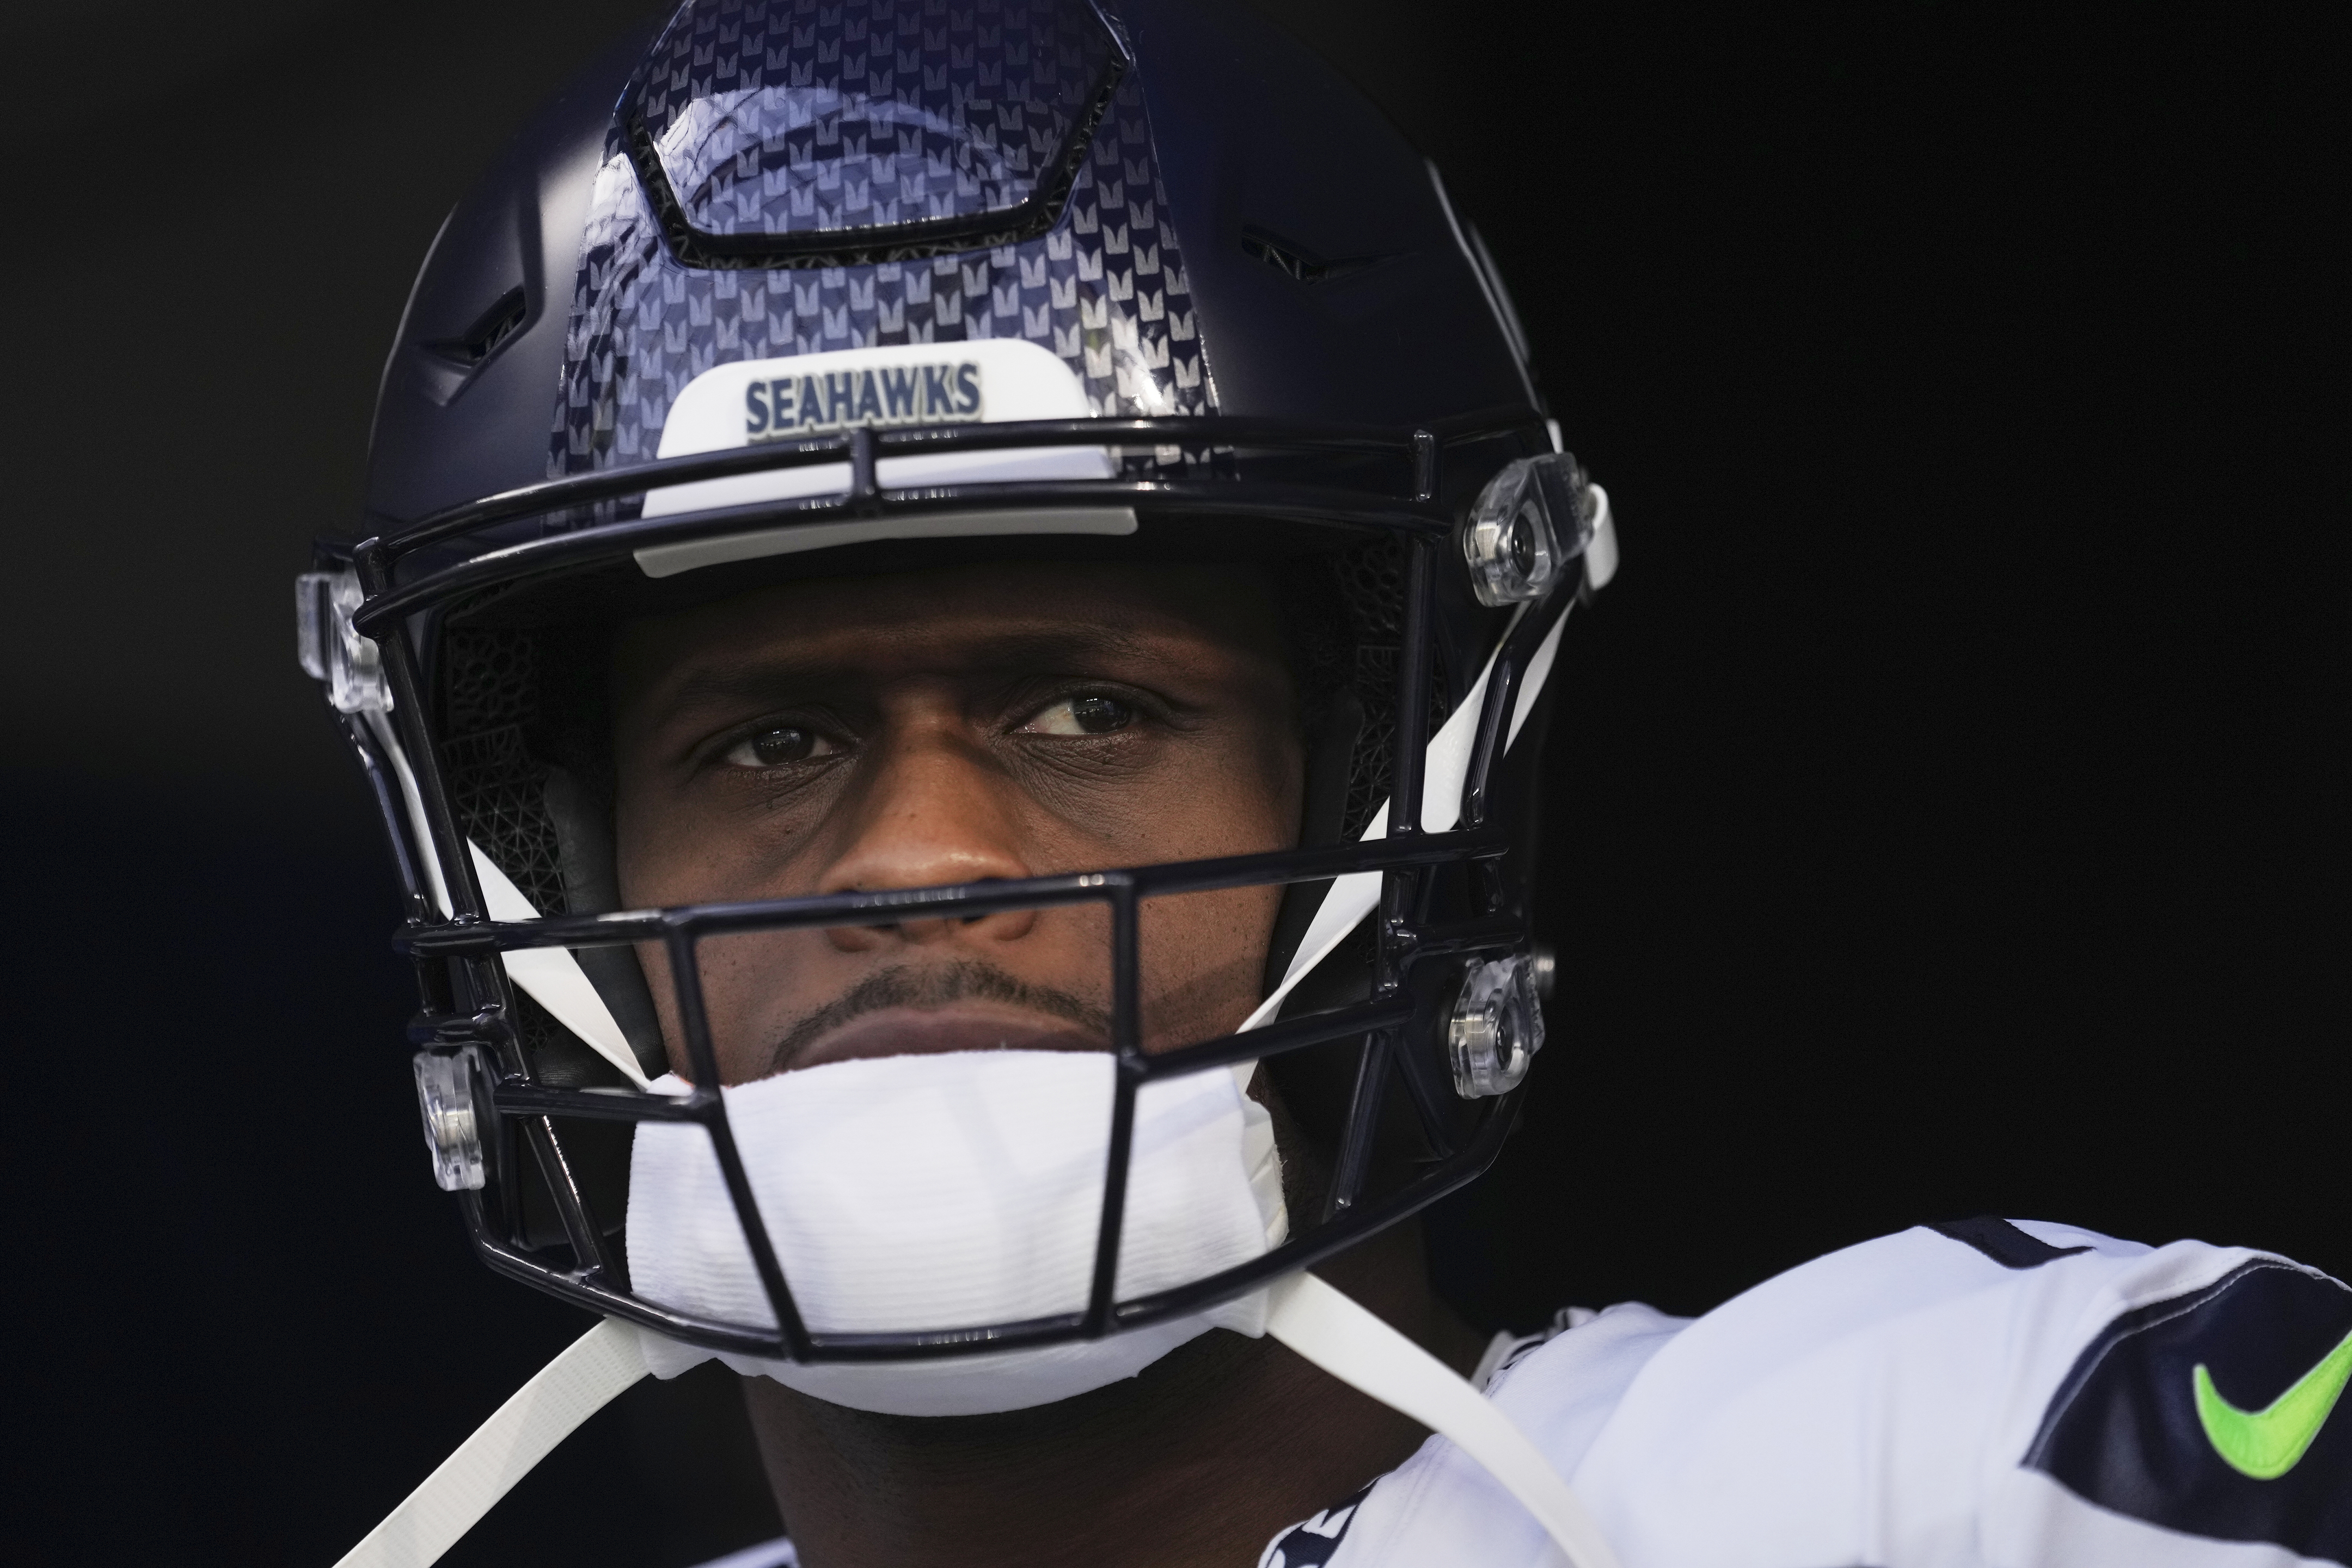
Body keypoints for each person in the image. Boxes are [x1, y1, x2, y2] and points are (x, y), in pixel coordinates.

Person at [305, 3, 2351, 1565]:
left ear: (1382, 782)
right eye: (771, 741)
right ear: (553, 872)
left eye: (1087, 711)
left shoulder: (1955, 1471)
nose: (922, 854)